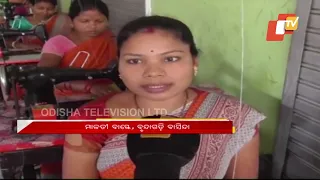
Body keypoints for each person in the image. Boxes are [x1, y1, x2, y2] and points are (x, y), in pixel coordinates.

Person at [62, 15, 266, 179]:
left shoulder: (235, 117)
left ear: (194, 62)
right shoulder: (88, 120)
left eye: (171, 58)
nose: (153, 72)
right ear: (120, 68)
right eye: (134, 61)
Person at [35, 0, 120, 103]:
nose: (92, 26)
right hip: (69, 99)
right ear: (71, 22)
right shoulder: (57, 43)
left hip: (108, 94)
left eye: (99, 21)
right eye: (85, 21)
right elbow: (44, 76)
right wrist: (88, 87)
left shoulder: (111, 40)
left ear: (107, 21)